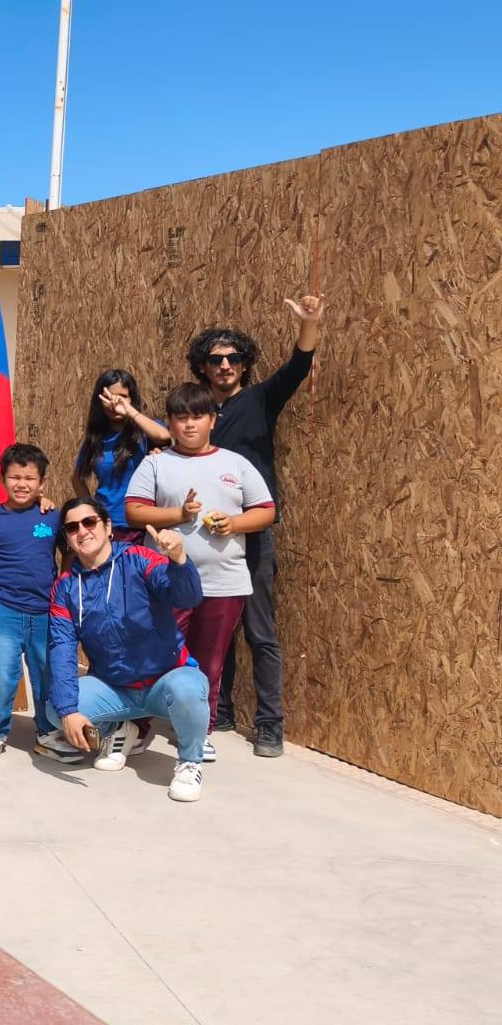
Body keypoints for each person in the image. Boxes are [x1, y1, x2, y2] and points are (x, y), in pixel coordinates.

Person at [191, 294, 326, 757]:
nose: (225, 364)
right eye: (215, 359)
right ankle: (221, 708)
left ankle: (270, 724)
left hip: (252, 533)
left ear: (244, 365)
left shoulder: (260, 399)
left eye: (233, 358)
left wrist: (308, 324)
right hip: (207, 535)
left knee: (260, 631)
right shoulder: (198, 412)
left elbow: (298, 366)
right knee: (215, 628)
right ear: (203, 367)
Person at [125, 382, 275, 760]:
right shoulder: (156, 463)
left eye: (197, 417)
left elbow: (266, 510)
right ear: (171, 424)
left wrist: (234, 524)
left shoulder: (236, 464)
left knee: (209, 662)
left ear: (212, 420)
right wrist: (179, 515)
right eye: (180, 418)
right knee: (158, 655)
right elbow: (135, 511)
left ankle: (198, 731)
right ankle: (139, 726)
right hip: (166, 582)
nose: (189, 425)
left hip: (223, 582)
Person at [48, 496, 209, 802]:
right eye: (72, 528)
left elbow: (187, 597)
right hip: (116, 687)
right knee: (57, 708)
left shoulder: (140, 558)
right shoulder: (66, 587)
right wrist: (68, 711)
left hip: (165, 681)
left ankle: (190, 762)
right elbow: (61, 649)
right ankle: (119, 729)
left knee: (189, 689)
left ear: (108, 527)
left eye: (89, 522)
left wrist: (178, 559)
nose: (82, 531)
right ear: (67, 539)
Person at [0, 442, 77, 763]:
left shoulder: (53, 516)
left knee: (48, 675)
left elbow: (69, 550)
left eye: (30, 479)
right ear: (3, 479)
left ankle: (49, 732)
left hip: (45, 612)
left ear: (42, 483)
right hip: (3, 610)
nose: (22, 484)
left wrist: (64, 583)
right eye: (15, 477)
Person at [70, 369, 171, 543]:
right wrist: (92, 509)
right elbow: (77, 477)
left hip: (142, 524)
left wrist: (129, 412)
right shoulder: (96, 437)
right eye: (109, 396)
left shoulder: (143, 430)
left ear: (132, 399)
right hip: (108, 525)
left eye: (123, 396)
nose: (115, 402)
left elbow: (164, 436)